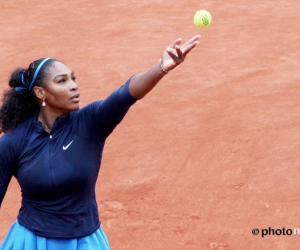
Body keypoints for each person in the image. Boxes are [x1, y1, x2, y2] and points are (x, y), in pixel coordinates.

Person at [0, 35, 200, 250]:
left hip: (84, 242)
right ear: (41, 93)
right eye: (62, 81)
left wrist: (162, 67)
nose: (74, 86)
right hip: (32, 242)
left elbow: (125, 95)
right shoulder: (13, 142)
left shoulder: (91, 122)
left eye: (73, 78)